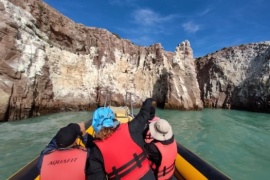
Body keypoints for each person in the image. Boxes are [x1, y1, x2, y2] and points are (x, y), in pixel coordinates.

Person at [85, 98, 155, 180]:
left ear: (95, 124)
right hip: (148, 176)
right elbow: (143, 115)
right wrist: (147, 102)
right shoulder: (130, 128)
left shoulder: (96, 151)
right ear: (112, 119)